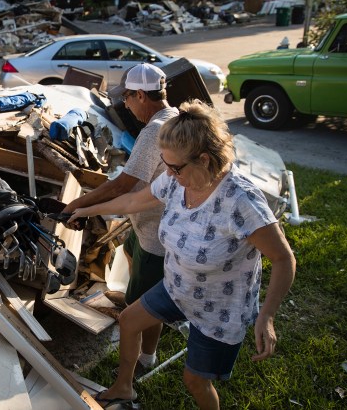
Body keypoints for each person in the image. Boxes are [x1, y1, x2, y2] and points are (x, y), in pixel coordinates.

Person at [68, 100, 296, 409]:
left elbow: (284, 259)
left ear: (204, 159)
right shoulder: (177, 180)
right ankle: (123, 387)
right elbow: (132, 203)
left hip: (219, 309)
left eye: (175, 167)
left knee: (194, 381)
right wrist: (86, 208)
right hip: (177, 287)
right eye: (166, 164)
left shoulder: (241, 202)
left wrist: (267, 316)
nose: (169, 174)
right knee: (128, 320)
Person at [62, 63, 179, 381]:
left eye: (127, 98)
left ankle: (147, 358)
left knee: (148, 304)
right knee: (127, 250)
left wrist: (78, 204)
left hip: (157, 234)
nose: (124, 105)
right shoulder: (173, 117)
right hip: (145, 227)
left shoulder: (155, 130)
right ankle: (131, 295)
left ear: (140, 95)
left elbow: (122, 185)